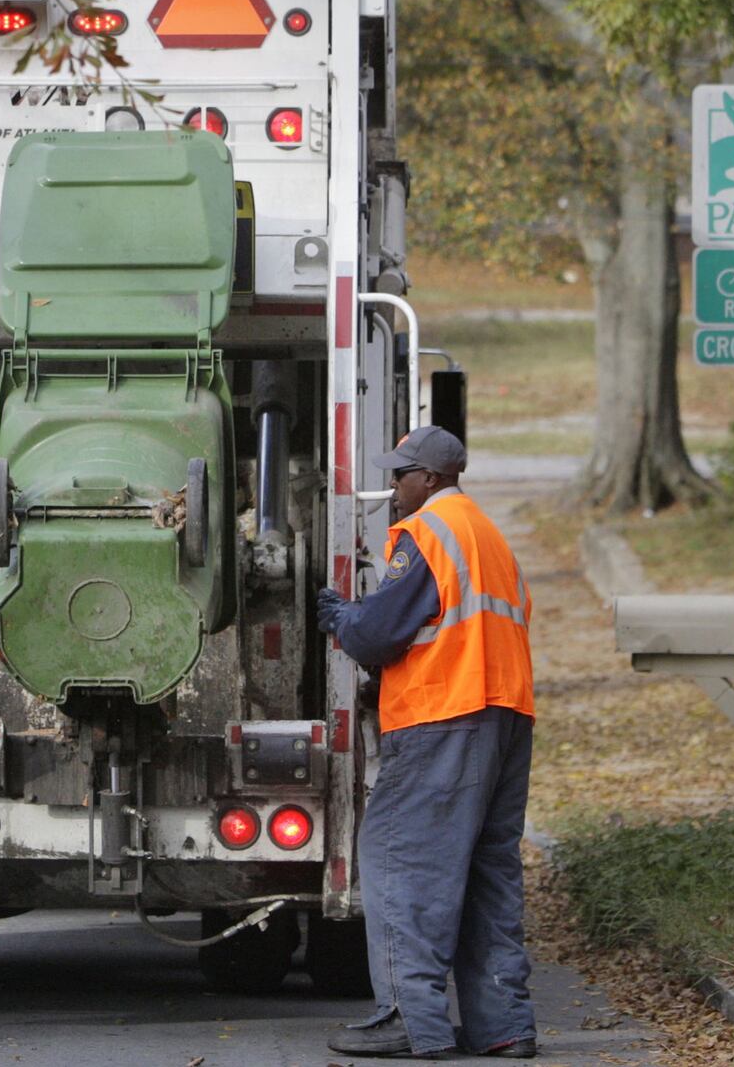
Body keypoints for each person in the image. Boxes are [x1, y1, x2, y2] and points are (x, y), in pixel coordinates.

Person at [316, 425, 536, 1060]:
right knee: (488, 871)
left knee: (398, 860)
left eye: (401, 474)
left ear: (431, 479)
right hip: (505, 715)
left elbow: (380, 633)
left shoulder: (429, 532)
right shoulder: (489, 536)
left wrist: (341, 617)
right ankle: (503, 1024)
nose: (392, 485)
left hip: (445, 714)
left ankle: (410, 1018)